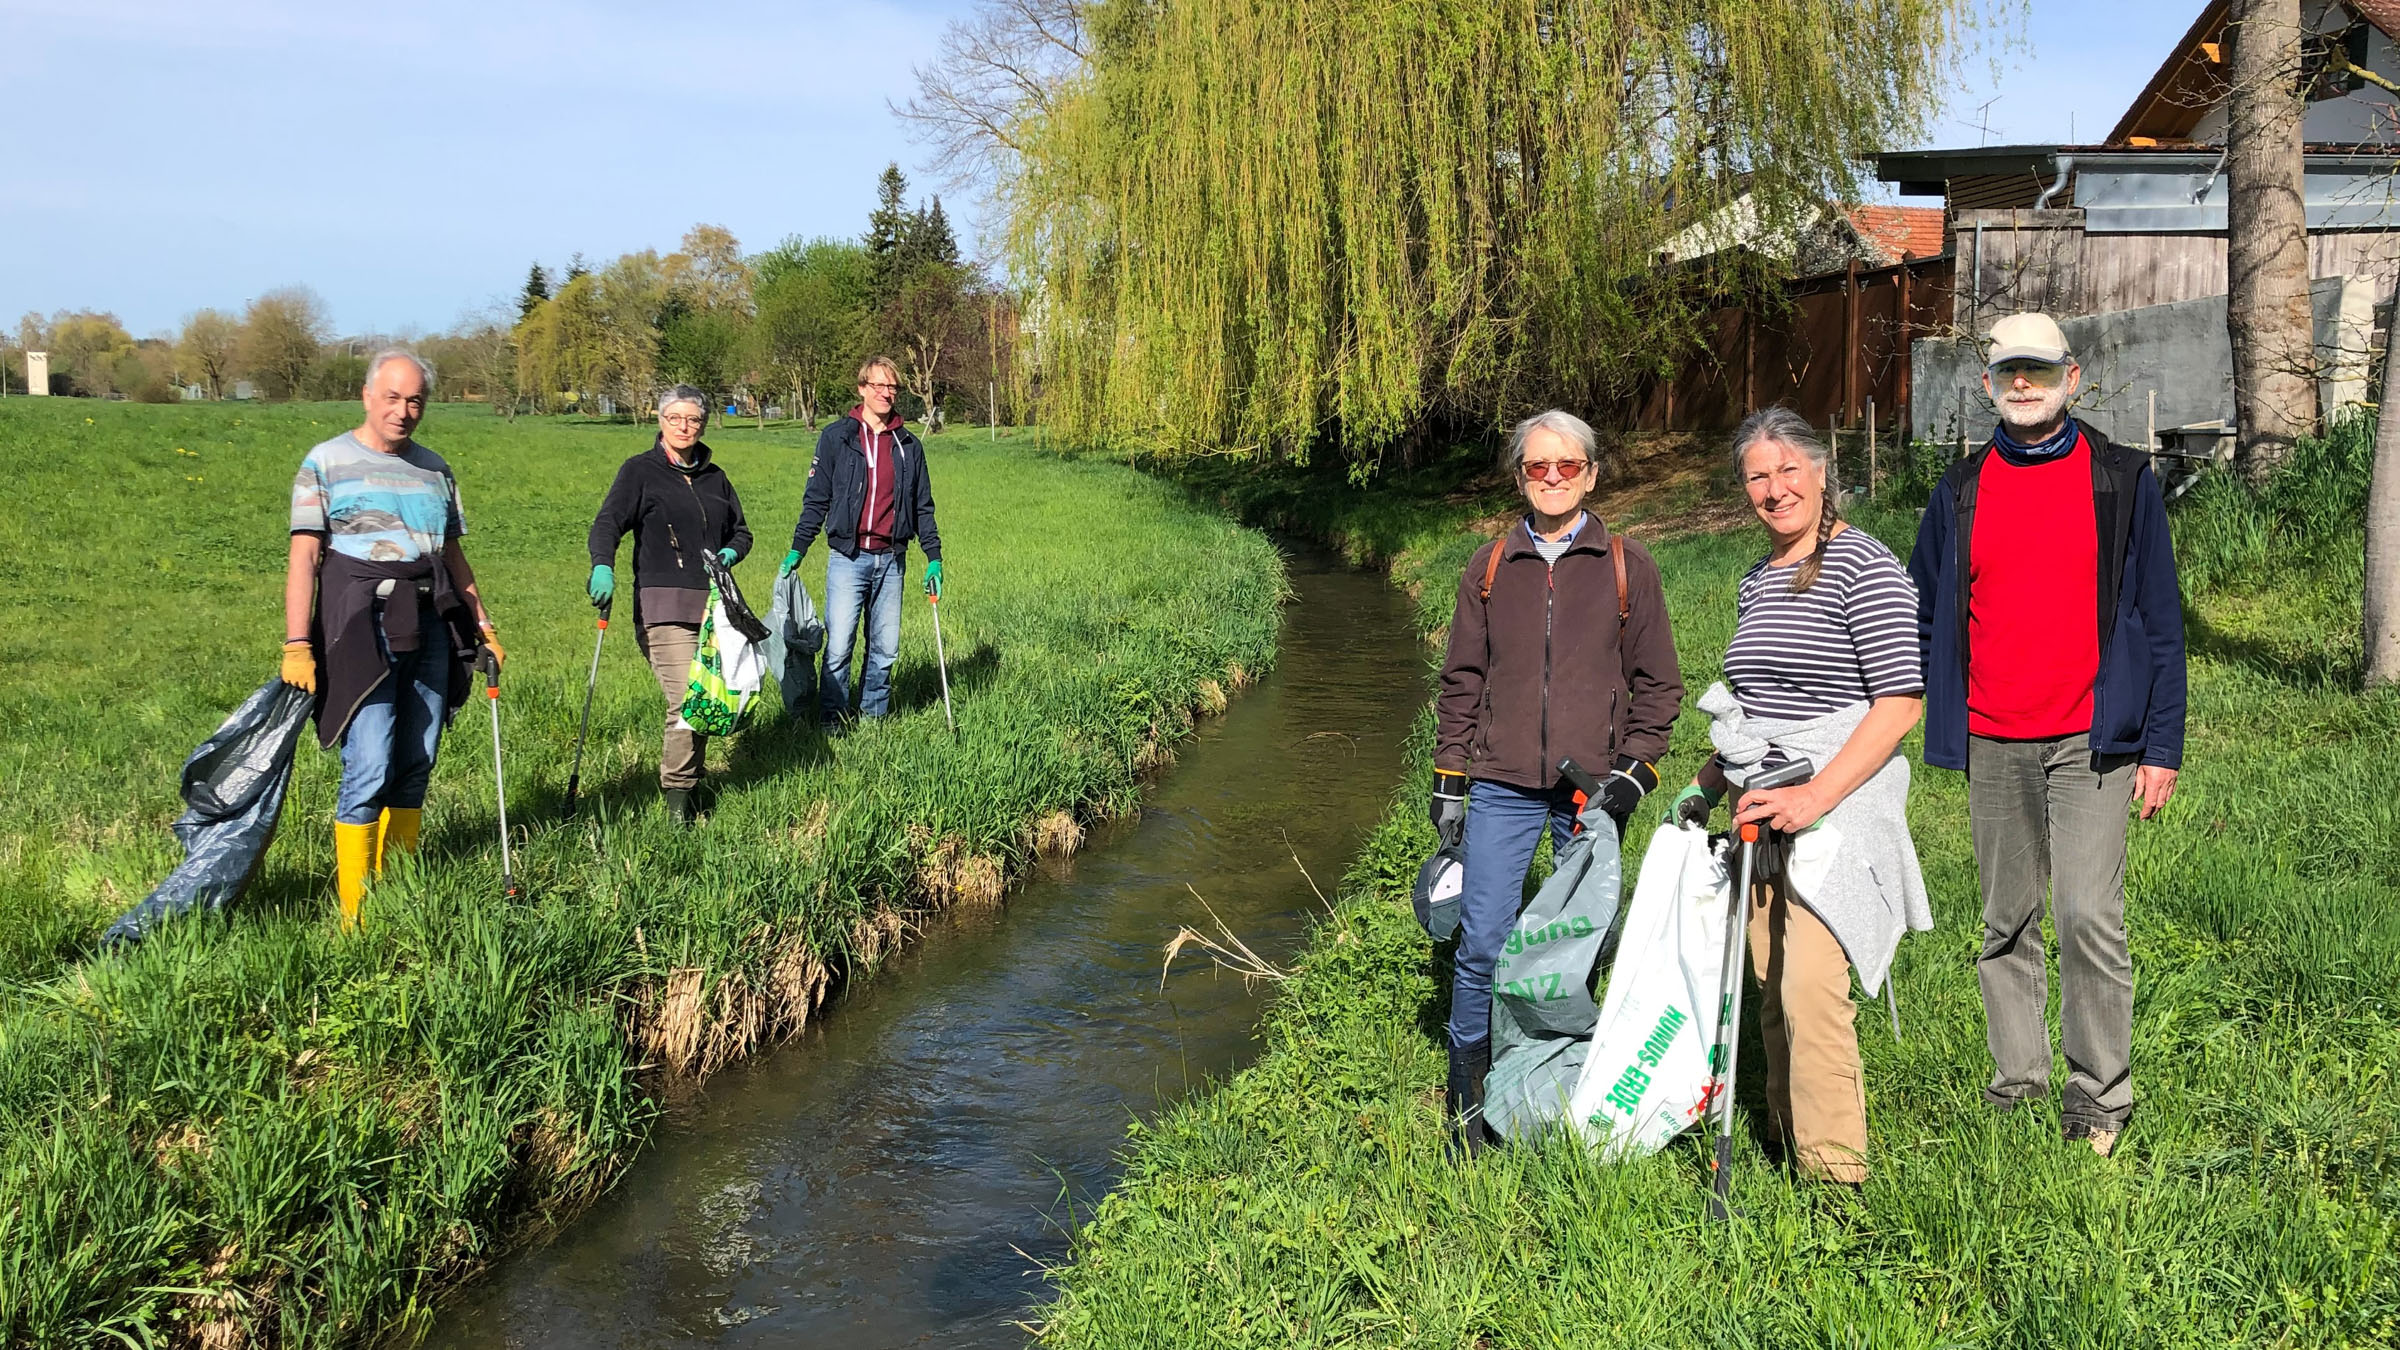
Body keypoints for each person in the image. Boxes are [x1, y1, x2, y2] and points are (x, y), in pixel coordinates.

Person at [1906, 312, 2186, 1158]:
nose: (2022, 385)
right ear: (1988, 385)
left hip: (2095, 738)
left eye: (2039, 370)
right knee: (2005, 918)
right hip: (1993, 737)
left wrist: (2163, 746)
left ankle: (2099, 1098)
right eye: (2007, 373)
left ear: (2072, 378)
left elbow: (2161, 621)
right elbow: (1922, 611)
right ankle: (2017, 1083)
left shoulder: (2122, 480)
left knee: (2087, 913)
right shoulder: (1958, 490)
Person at [1668, 407, 1932, 1185]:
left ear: (1822, 473)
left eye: (1790, 470)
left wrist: (1816, 797)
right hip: (1761, 798)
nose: (1775, 489)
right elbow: (1753, 706)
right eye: (1758, 475)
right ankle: (1786, 1143)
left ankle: (1836, 1183)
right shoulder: (1758, 576)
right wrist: (1708, 781)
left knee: (1811, 985)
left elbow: (1899, 704)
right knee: (1769, 977)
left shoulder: (1866, 567)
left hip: (1834, 801)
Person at [1430, 409, 1683, 1155]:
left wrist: (1633, 775)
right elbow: (1461, 682)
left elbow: (1659, 687)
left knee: (1583, 942)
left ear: (1592, 474)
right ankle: (1468, 1097)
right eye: (1536, 466)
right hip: (1502, 783)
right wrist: (1450, 779)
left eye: (1565, 466)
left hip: (1589, 789)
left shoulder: (1627, 566)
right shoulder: (1488, 567)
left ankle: (1573, 1078)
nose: (1550, 478)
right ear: (1519, 476)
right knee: (1481, 942)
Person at [279, 349, 502, 927]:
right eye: (393, 398)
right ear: (367, 395)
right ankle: (355, 911)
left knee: (418, 756)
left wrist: (484, 627)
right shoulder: (325, 461)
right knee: (371, 759)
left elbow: (452, 554)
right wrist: (296, 644)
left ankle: (398, 890)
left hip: (430, 620)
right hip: (359, 626)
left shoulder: (435, 469)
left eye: (415, 401)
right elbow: (304, 557)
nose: (403, 411)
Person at [587, 385, 754, 822]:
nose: (685, 426)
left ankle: (693, 785)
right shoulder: (639, 472)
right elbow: (608, 523)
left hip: (714, 608)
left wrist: (731, 554)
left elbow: (741, 532)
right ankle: (678, 802)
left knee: (709, 700)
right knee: (686, 701)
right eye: (675, 418)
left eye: (693, 419)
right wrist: (602, 564)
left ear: (702, 423)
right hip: (661, 608)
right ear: (660, 421)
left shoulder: (715, 477)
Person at [779, 357, 944, 733]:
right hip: (847, 558)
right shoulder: (837, 437)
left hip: (891, 559)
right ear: (862, 389)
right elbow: (817, 497)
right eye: (878, 386)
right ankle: (832, 720)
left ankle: (874, 718)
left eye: (892, 387)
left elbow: (922, 505)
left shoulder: (908, 446)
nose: (886, 393)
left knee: (885, 648)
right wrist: (798, 547)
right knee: (838, 646)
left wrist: (933, 556)